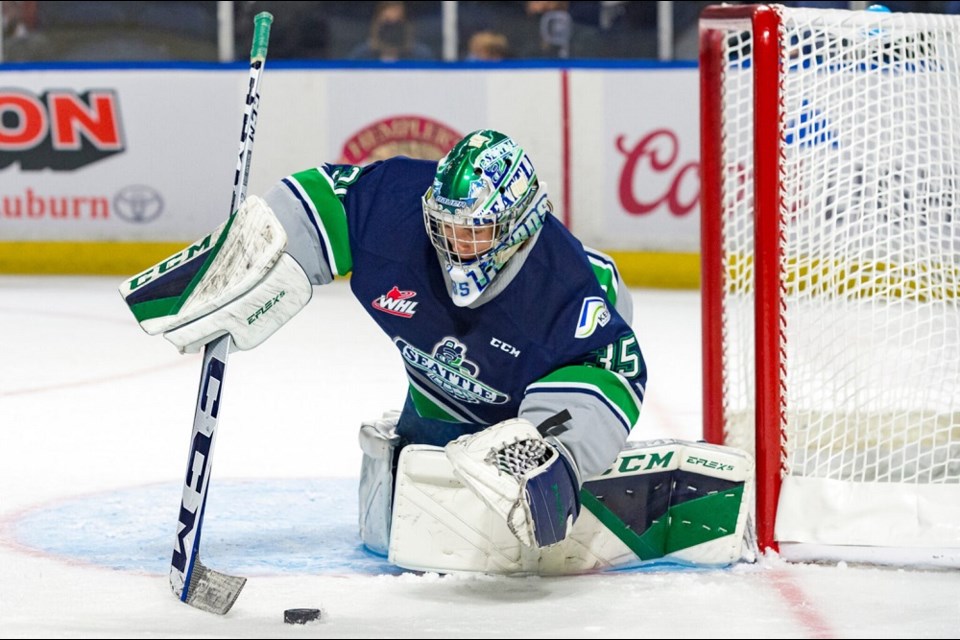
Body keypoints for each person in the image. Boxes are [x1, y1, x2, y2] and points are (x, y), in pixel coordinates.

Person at [120, 130, 753, 574]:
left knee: (511, 514)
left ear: (520, 227)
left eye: (474, 232)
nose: (455, 247)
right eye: (445, 228)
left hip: (525, 393)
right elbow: (325, 197)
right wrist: (249, 253)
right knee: (406, 511)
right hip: (434, 393)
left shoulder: (562, 293)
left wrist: (559, 454)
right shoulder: (399, 208)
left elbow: (613, 365)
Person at [347, 1, 433, 62]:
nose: (392, 29)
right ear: (377, 24)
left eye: (397, 22)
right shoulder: (361, 56)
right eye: (387, 22)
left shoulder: (421, 57)